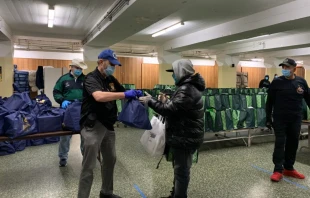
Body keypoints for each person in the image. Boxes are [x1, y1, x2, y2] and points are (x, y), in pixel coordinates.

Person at [78, 49, 142, 198]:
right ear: (101, 62)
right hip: (92, 126)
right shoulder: (90, 78)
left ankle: (106, 192)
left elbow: (123, 92)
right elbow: (99, 96)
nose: (113, 67)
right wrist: (124, 94)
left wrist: (137, 95)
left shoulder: (111, 79)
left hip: (108, 125)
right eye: (111, 64)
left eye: (115, 65)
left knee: (110, 160)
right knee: (89, 166)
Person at [139, 59, 205, 198]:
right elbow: (178, 108)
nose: (172, 75)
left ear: (181, 72)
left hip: (186, 136)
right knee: (179, 169)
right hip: (184, 134)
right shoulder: (187, 87)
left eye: (174, 72)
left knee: (181, 171)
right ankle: (175, 194)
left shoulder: (187, 89)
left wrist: (150, 101)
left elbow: (170, 110)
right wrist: (165, 101)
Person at [266, 58, 310, 182]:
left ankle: (289, 168)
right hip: (280, 118)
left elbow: (308, 98)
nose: (285, 70)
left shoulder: (301, 82)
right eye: (283, 67)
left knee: (293, 142)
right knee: (280, 143)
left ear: (294, 69)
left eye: (287, 67)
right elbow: (269, 102)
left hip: (295, 118)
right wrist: (268, 118)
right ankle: (277, 170)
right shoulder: (276, 82)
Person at [53, 58, 87, 167]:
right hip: (67, 109)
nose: (79, 70)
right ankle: (63, 157)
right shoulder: (63, 79)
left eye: (80, 68)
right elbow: (56, 92)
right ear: (71, 67)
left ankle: (85, 156)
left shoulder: (86, 79)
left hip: (82, 109)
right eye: (77, 67)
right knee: (65, 135)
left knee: (85, 134)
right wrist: (62, 100)